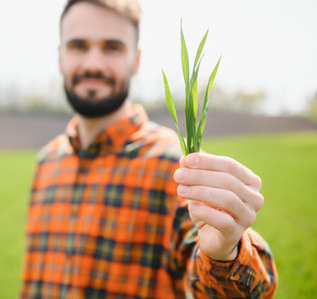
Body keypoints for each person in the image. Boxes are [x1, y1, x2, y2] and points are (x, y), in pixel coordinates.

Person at [20, 0, 277, 298]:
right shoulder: (47, 162)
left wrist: (225, 254)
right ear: (60, 56)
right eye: (78, 45)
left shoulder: (175, 167)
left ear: (136, 60)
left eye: (112, 47)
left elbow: (245, 286)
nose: (93, 63)